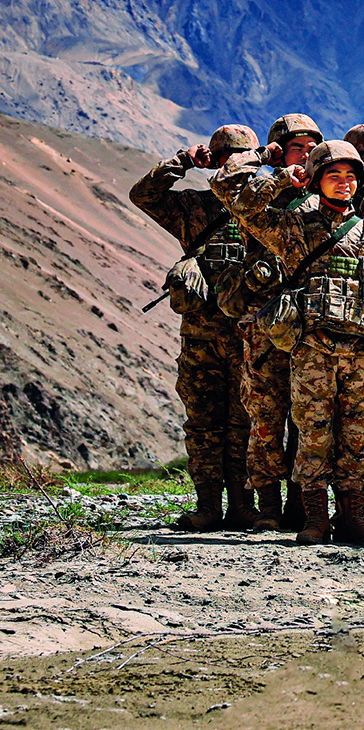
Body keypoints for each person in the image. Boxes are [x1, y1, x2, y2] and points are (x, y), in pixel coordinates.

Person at [213, 138, 364, 545]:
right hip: (313, 351)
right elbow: (240, 205)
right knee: (313, 435)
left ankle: (352, 518)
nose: (344, 183)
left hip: (360, 354)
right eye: (334, 175)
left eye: (351, 176)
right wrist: (282, 178)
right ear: (316, 180)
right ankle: (316, 519)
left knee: (355, 439)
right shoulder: (294, 227)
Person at [127, 124, 260, 532]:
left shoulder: (265, 209)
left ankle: (243, 505)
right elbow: (144, 195)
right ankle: (207, 506)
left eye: (243, 160)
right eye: (226, 159)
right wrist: (183, 161)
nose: (233, 166)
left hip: (249, 335)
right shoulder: (193, 208)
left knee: (246, 423)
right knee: (203, 422)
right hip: (202, 335)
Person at [236, 112, 325, 533]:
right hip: (267, 322)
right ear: (278, 153)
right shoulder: (263, 196)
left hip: (312, 323)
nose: (305, 156)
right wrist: (268, 166)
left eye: (312, 149)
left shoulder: (323, 197)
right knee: (267, 415)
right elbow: (233, 195)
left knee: (309, 417)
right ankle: (268, 505)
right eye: (295, 149)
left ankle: (303, 505)